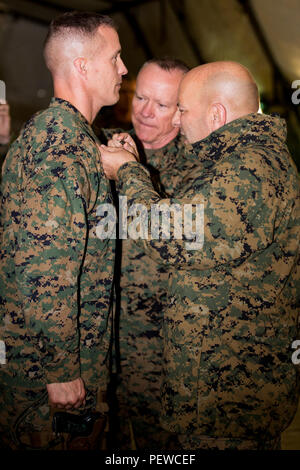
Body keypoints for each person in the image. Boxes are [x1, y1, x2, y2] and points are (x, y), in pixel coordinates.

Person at [99, 61, 300, 450]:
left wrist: (128, 172)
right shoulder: (243, 162)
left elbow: (170, 236)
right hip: (219, 390)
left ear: (217, 114)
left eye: (181, 109)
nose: (177, 119)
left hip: (228, 397)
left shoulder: (251, 170)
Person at [0, 10, 127, 450]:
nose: (123, 69)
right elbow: (43, 268)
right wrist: (62, 370)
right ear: (82, 66)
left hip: (63, 365)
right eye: (115, 58)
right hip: (51, 382)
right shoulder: (62, 148)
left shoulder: (67, 137)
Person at [103, 58, 189, 450]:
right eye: (140, 96)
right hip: (104, 354)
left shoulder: (198, 172)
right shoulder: (104, 147)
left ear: (182, 111)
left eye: (161, 104)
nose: (144, 111)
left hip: (163, 361)